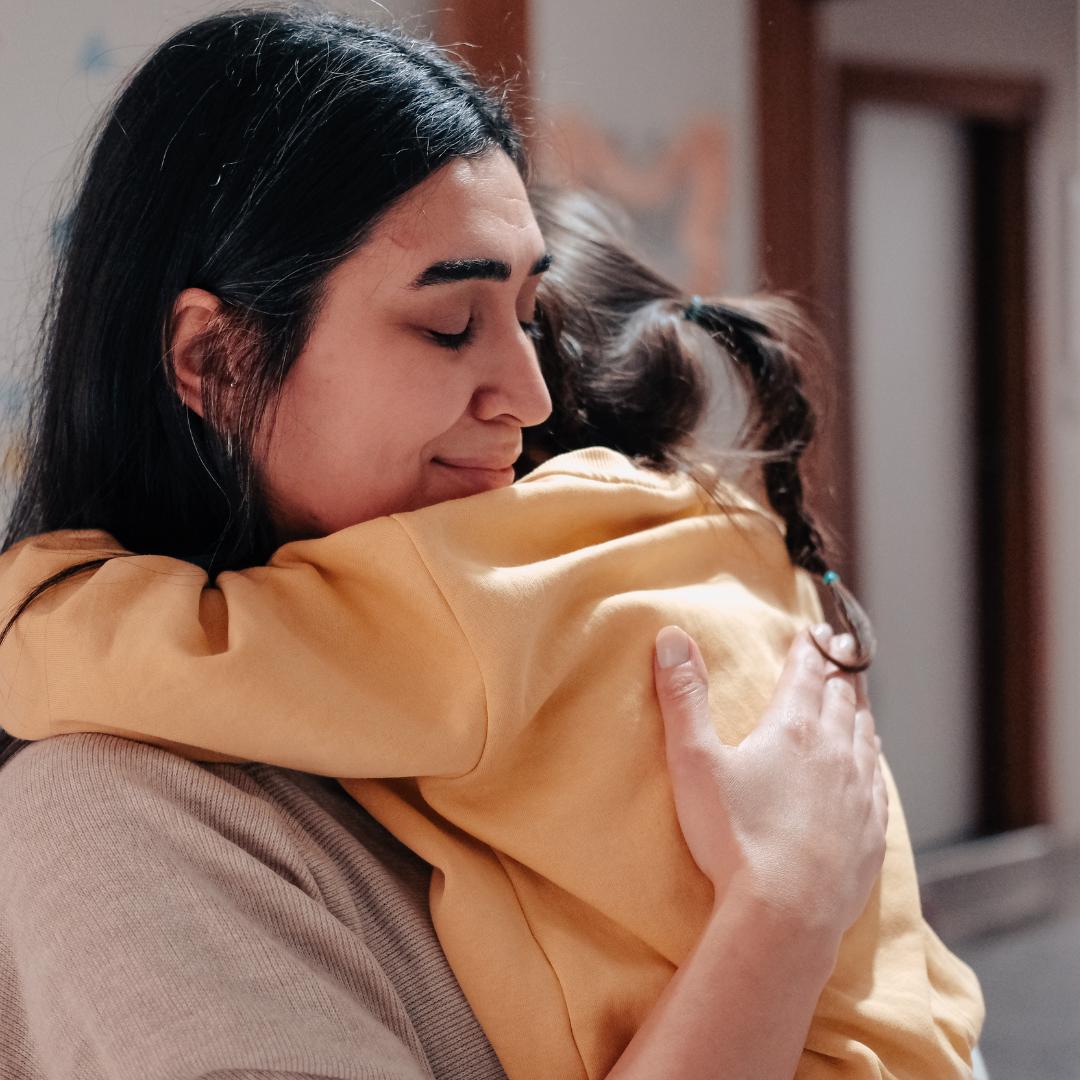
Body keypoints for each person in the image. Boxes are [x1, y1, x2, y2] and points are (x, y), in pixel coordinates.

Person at [0, 9, 979, 1079]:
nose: (528, 394)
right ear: (216, 362)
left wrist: (45, 593)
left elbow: (95, 645)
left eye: (527, 311)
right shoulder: (116, 817)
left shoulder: (472, 595)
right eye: (450, 326)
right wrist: (781, 909)